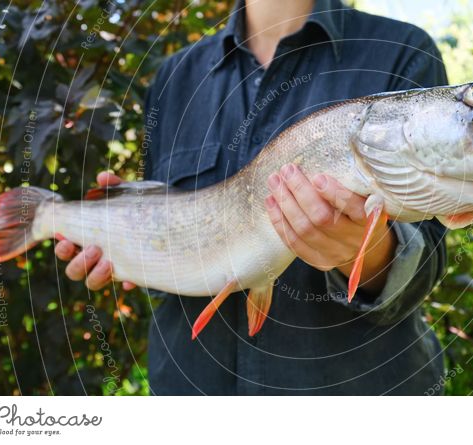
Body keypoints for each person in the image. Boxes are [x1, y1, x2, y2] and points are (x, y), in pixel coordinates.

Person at [55, 0, 449, 394]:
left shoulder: (402, 51)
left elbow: (428, 260)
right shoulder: (174, 77)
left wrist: (364, 254)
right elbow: (173, 250)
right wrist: (125, 246)